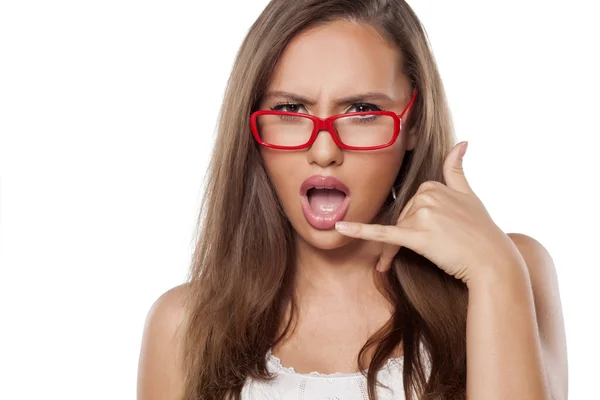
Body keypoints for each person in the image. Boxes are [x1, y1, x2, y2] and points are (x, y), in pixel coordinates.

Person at [137, 1, 568, 399]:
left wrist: (494, 271)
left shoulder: (511, 268)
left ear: (413, 123)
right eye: (290, 110)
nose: (324, 150)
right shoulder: (184, 326)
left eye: (361, 110)